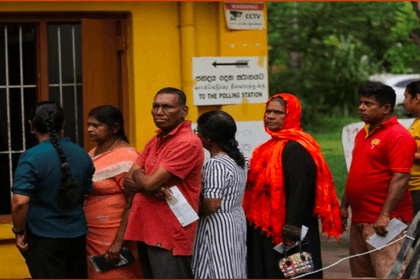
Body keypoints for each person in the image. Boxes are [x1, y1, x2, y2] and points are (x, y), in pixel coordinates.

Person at [243, 93, 342, 279]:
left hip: (290, 228)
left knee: (294, 273)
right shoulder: (269, 147)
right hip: (268, 225)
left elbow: (300, 192)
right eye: (268, 111)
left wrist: (291, 229)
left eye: (278, 112)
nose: (270, 116)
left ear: (292, 114)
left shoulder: (297, 148)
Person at [123, 87, 204, 279]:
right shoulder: (156, 139)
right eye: (156, 106)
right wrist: (150, 185)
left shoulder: (187, 142)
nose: (159, 112)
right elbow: (127, 179)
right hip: (147, 228)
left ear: (184, 111)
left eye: (167, 107)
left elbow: (147, 182)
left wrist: (145, 181)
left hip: (170, 232)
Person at [341, 82, 417, 278]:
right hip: (360, 219)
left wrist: (384, 215)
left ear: (386, 108)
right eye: (361, 103)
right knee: (363, 274)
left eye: (368, 104)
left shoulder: (398, 135)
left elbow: (400, 177)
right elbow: (355, 173)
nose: (361, 107)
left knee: (391, 274)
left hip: (384, 222)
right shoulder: (362, 133)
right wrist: (344, 206)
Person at [11, 101, 95, 279]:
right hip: (77, 235)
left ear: (31, 124)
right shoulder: (82, 154)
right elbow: (87, 192)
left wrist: (19, 232)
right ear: (63, 124)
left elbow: (20, 202)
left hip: (43, 236)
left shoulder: (31, 157)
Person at [84, 105, 142, 278]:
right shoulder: (94, 152)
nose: (89, 129)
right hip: (92, 236)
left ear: (115, 128)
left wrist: (117, 243)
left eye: (96, 125)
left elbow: (134, 203)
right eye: (89, 124)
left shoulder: (127, 157)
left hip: (115, 237)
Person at [191, 110, 247, 279]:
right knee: (232, 268)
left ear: (209, 137)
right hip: (234, 220)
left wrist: (191, 214)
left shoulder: (216, 164)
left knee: (216, 267)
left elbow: (212, 204)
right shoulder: (237, 160)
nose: (196, 135)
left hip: (217, 225)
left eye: (198, 132)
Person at [403, 80, 420, 218]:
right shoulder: (416, 121)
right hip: (411, 187)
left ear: (417, 98)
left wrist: (402, 154)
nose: (404, 101)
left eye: (406, 97)